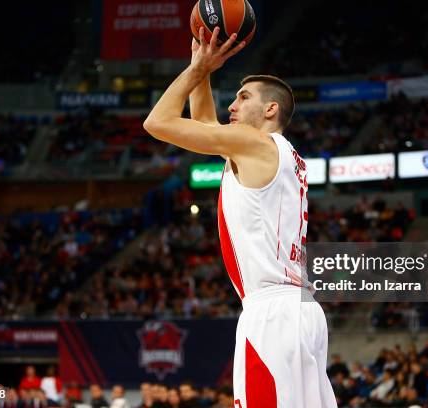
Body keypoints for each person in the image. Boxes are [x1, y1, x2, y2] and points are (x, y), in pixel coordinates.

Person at [144, 26, 336, 407]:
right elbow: (205, 126)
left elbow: (157, 123)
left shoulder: (256, 144)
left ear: (270, 110)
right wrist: (202, 68)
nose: (231, 105)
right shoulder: (276, 153)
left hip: (272, 313)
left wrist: (197, 71)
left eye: (242, 97)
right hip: (297, 308)